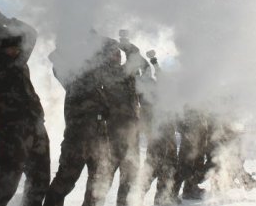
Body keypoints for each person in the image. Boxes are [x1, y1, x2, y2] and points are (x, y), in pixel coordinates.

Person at [0, 7, 50, 206]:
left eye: (18, 47)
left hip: (35, 125)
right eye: (12, 47)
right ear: (1, 46)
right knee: (7, 181)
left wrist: (9, 20)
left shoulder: (19, 63)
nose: (17, 50)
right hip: (11, 127)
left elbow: (31, 34)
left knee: (40, 180)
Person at [43, 32, 114, 206]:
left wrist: (94, 35)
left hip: (99, 139)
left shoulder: (98, 84)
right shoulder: (72, 79)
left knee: (99, 182)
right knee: (65, 181)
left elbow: (109, 47)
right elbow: (57, 59)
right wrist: (69, 36)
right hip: (78, 139)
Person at [95, 29, 149, 206]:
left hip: (130, 131)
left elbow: (140, 62)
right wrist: (125, 44)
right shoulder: (107, 72)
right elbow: (134, 58)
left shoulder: (125, 72)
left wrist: (124, 44)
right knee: (106, 174)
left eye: (118, 53)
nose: (117, 56)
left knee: (130, 173)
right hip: (114, 132)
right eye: (113, 53)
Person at [139, 50, 179, 206]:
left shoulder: (154, 84)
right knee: (153, 165)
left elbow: (163, 80)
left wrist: (154, 61)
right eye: (147, 69)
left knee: (169, 165)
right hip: (156, 132)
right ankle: (136, 196)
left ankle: (161, 199)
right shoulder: (142, 87)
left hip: (167, 130)